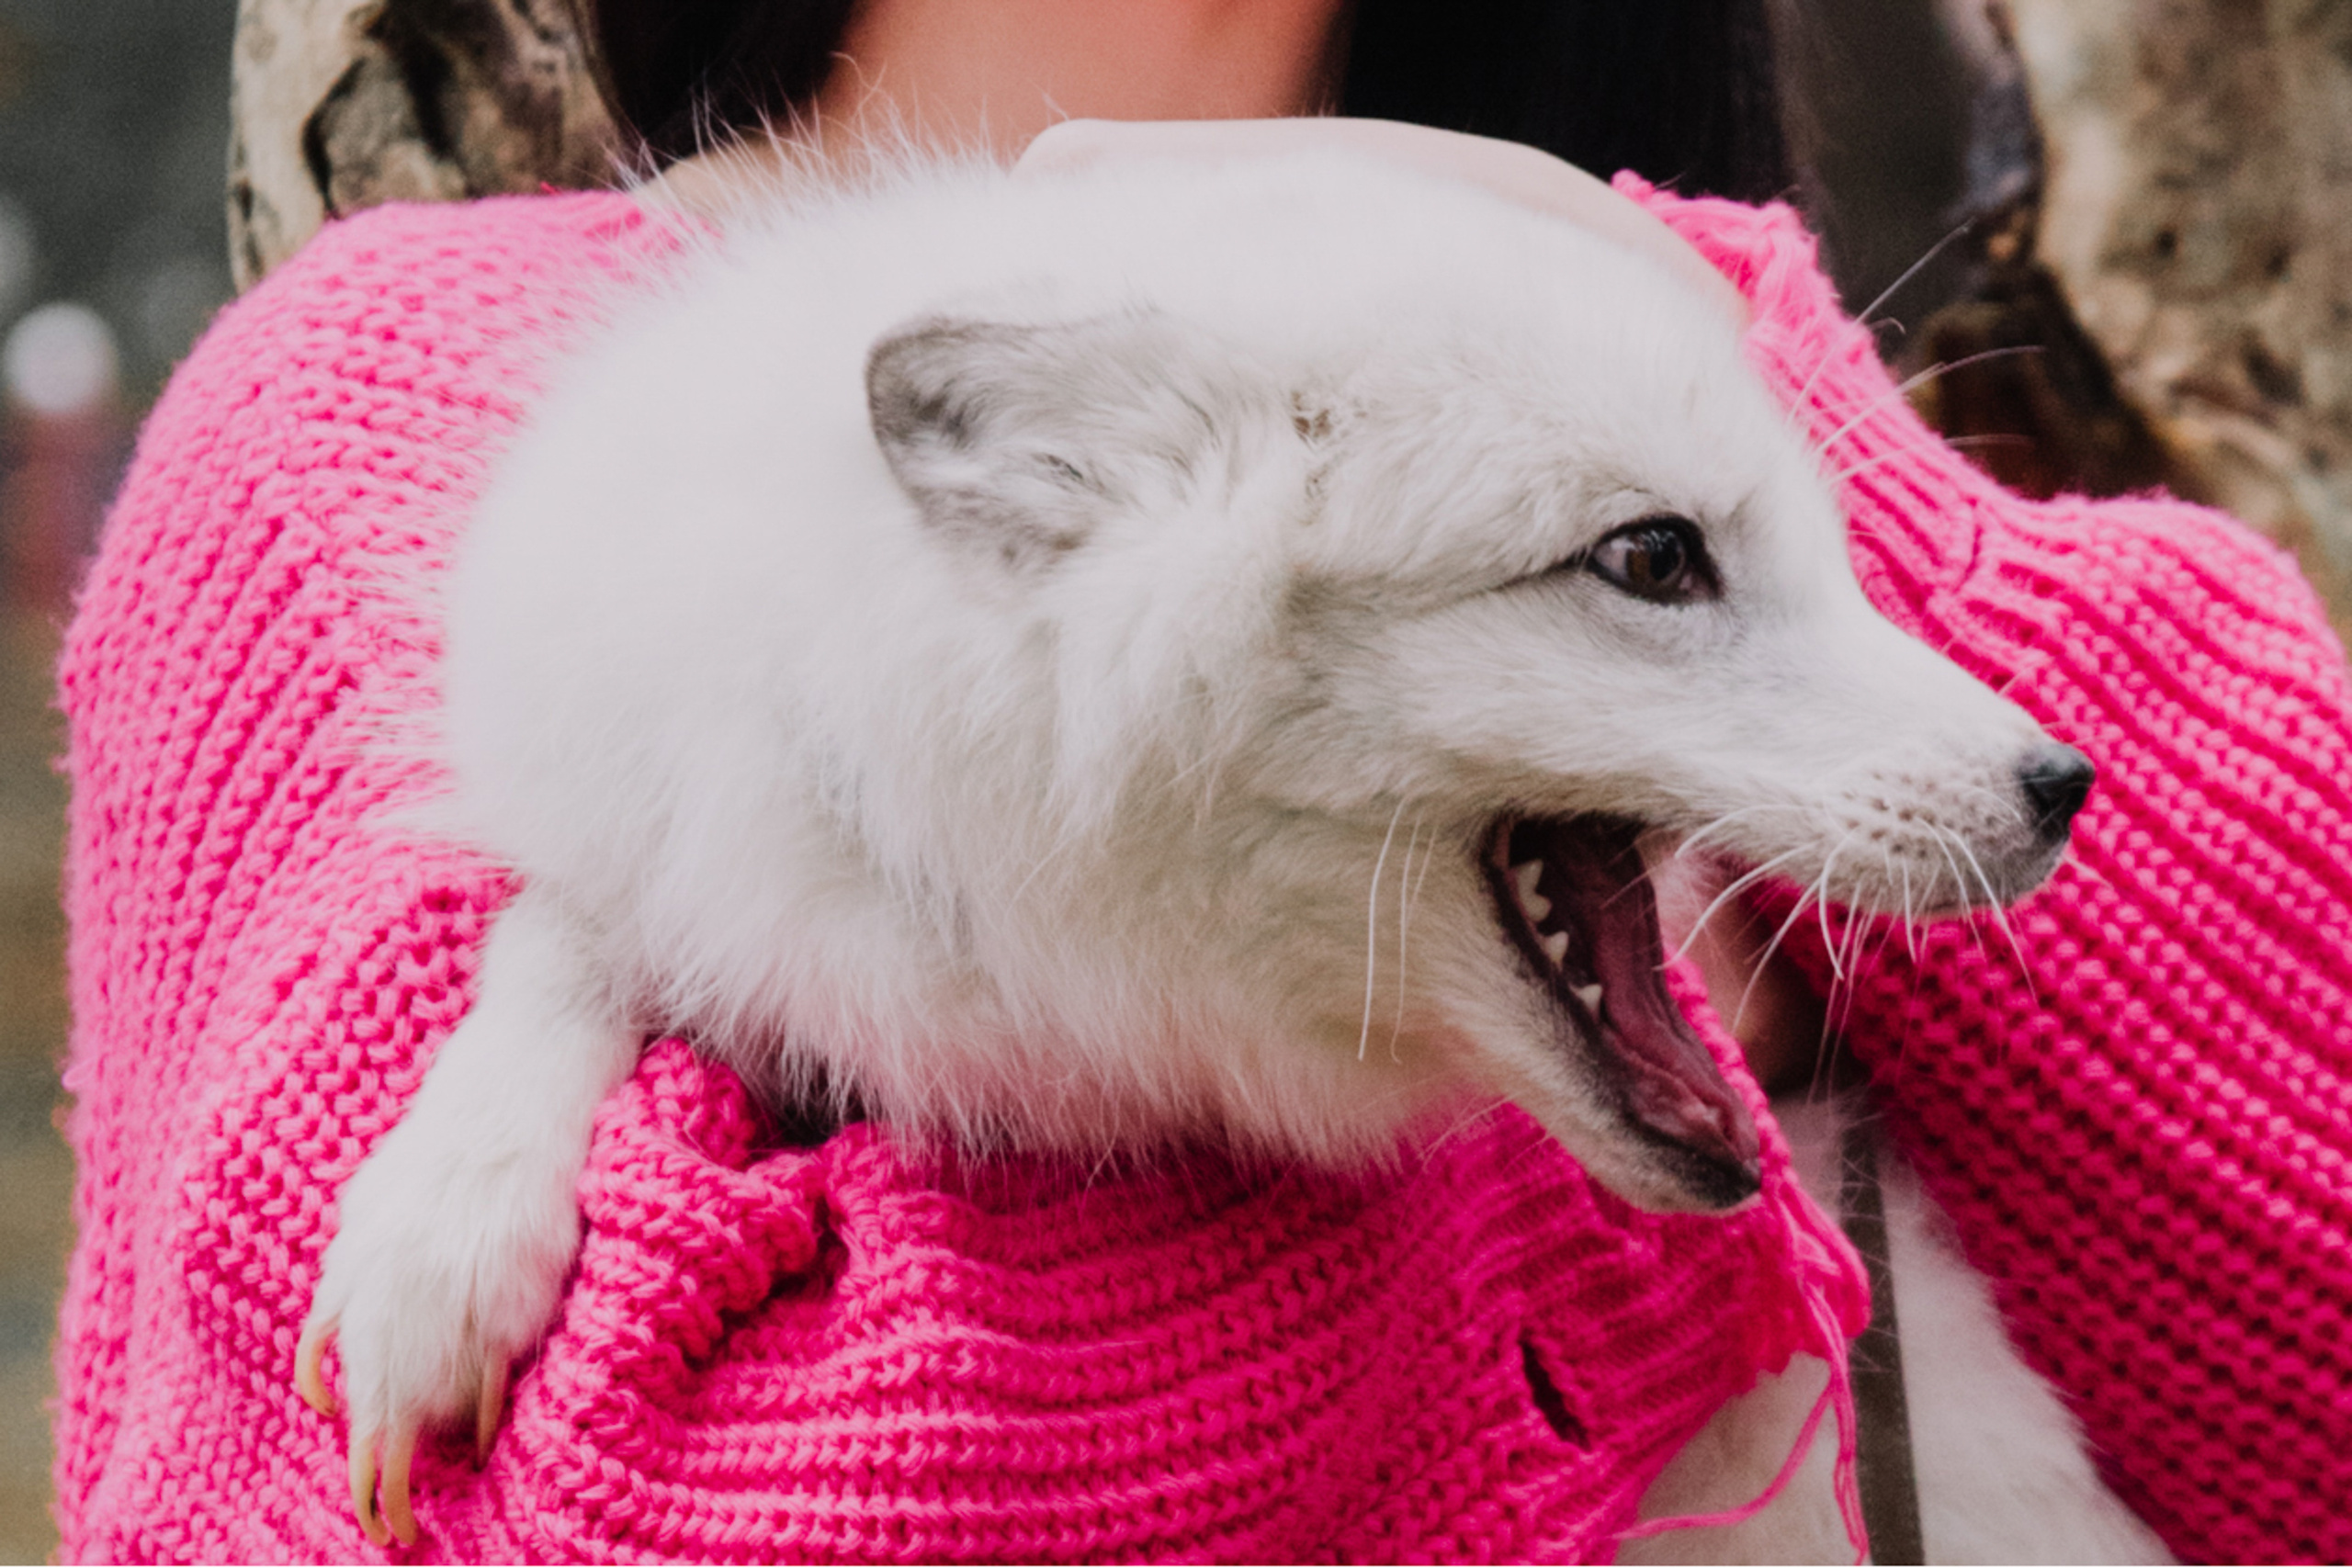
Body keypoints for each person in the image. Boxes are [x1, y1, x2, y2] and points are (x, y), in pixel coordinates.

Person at [51, 1, 2352, 1560]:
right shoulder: (384, 422)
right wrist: (1600, 1228)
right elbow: (620, 1506)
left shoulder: (1634, 331)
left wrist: (1681, 322)